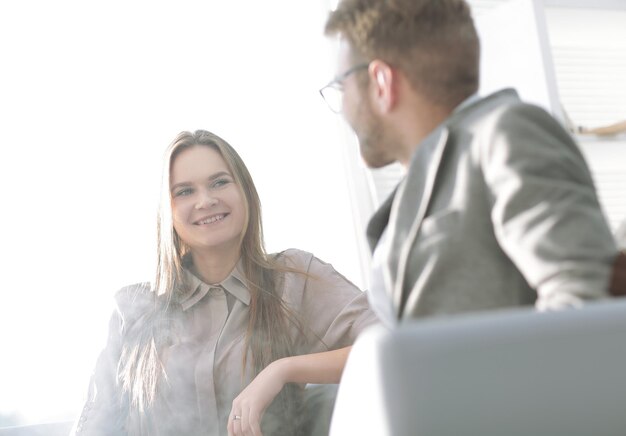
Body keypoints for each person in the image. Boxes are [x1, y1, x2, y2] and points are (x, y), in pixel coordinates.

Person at [321, 0, 624, 327]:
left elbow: (586, 305)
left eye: (342, 85)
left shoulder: (505, 133)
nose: (344, 107)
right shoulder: (419, 185)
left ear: (381, 82)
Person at [71, 130, 378, 436]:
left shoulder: (292, 280)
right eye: (184, 191)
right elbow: (95, 424)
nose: (206, 201)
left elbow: (391, 343)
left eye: (219, 182)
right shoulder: (134, 312)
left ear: (244, 190)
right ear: (169, 212)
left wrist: (283, 370)